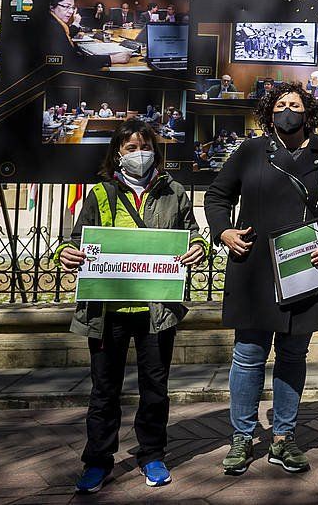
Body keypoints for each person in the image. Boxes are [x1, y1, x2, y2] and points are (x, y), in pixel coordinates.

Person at [205, 82, 318, 477]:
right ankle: (241, 438)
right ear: (269, 113)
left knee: (293, 356)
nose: (287, 110)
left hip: (307, 270)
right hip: (256, 269)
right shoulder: (251, 151)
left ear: (308, 112)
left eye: (294, 104)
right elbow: (217, 196)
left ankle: (284, 438)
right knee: (248, 357)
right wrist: (223, 231)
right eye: (280, 105)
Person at [54, 118, 209, 493]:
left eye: (145, 146)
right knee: (103, 390)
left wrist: (198, 248)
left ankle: (152, 454)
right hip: (108, 312)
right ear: (118, 155)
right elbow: (76, 238)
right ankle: (98, 461)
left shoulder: (174, 191)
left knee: (155, 388)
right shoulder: (101, 194)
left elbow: (192, 233)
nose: (140, 154)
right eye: (131, 148)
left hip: (157, 310)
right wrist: (67, 253)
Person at [47, 0, 131, 71]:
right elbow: (73, 61)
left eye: (72, 7)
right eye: (66, 6)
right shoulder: (52, 27)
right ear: (52, 7)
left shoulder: (55, 22)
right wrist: (112, 58)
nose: (71, 11)